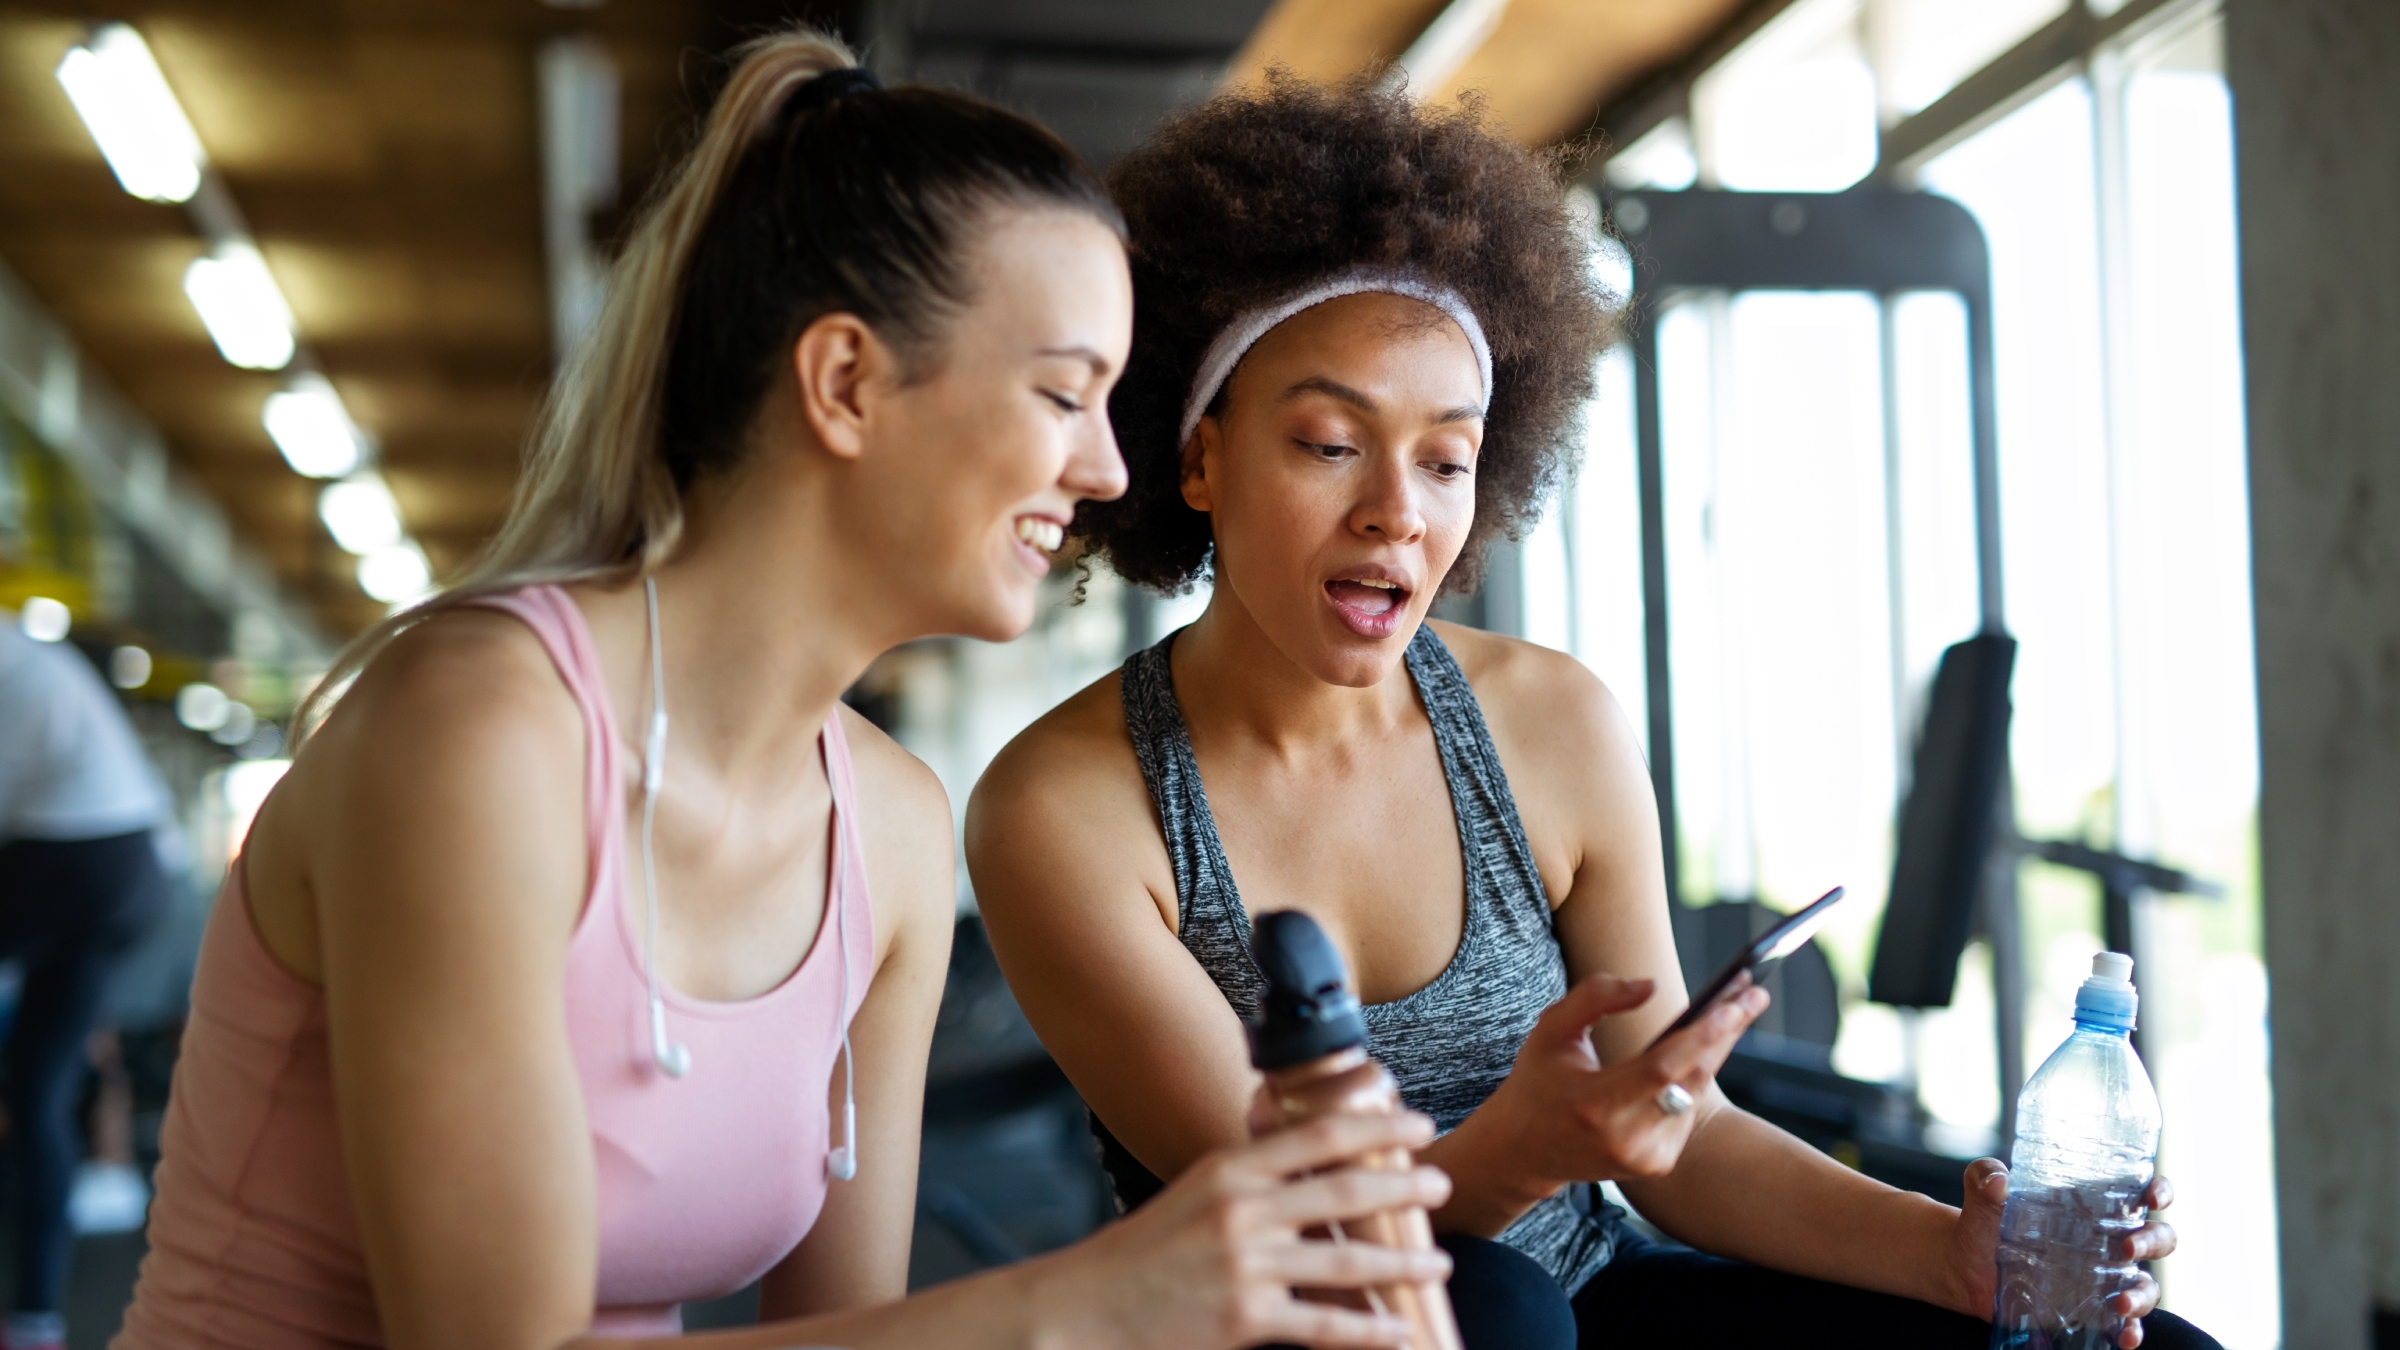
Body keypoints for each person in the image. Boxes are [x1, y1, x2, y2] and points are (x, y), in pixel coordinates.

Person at [113, 33, 1456, 1350]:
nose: (1108, 468)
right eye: (1065, 394)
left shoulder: (893, 829)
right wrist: (1093, 1304)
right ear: (847, 383)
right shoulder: (481, 728)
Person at [965, 75, 2216, 1350]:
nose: (1397, 512)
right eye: (1331, 443)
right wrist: (1525, 1149)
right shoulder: (1066, 808)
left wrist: (1952, 1255)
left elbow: (1685, 1139)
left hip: (1588, 1296)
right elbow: (1305, 1233)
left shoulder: (1551, 725)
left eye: (1446, 460)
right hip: (1289, 1322)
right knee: (1499, 1305)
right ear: (1198, 457)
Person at [0, 615, 172, 1350]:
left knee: (39, 1086)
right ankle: (35, 1319)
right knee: (37, 1089)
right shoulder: (30, 654)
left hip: (70, 855)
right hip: (134, 871)